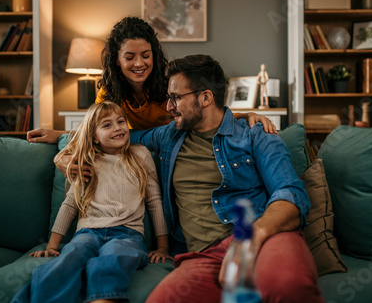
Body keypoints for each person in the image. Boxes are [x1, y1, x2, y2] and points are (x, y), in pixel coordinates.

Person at [125, 55, 325, 302]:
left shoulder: (256, 134)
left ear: (205, 97)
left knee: (288, 286)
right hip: (204, 256)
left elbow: (292, 195)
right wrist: (68, 141)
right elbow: (118, 135)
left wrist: (253, 237)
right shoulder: (168, 136)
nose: (168, 107)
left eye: (176, 98)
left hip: (265, 238)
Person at [27, 17, 278, 145]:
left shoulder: (170, 83)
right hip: (134, 148)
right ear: (116, 60)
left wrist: (245, 116)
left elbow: (203, 113)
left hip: (173, 148)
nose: (139, 64)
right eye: (130, 57)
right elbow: (97, 130)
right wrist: (60, 136)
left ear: (154, 55)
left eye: (146, 55)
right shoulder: (109, 91)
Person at [11, 101, 170, 303]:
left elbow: (155, 202)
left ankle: (102, 299)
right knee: (72, 256)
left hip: (127, 233)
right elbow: (70, 204)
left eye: (121, 121)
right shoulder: (87, 162)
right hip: (88, 231)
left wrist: (163, 247)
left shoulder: (141, 155)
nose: (118, 127)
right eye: (107, 125)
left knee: (114, 256)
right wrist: (52, 245)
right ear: (94, 137)